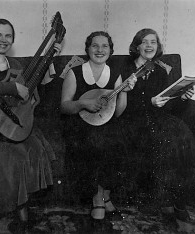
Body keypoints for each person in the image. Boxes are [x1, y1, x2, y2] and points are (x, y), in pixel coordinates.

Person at [0, 18, 61, 233]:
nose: (3, 40)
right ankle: (19, 210)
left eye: (8, 36)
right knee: (14, 156)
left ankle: (23, 205)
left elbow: (27, 95)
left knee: (35, 150)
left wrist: (31, 98)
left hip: (12, 123)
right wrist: (12, 87)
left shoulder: (16, 65)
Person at [119, 28, 195, 222]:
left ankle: (177, 199)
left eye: (153, 42)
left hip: (157, 118)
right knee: (164, 141)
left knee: (183, 138)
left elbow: (166, 103)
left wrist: (183, 97)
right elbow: (121, 105)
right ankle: (165, 200)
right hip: (133, 119)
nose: (149, 46)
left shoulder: (160, 71)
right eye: (144, 42)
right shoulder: (124, 68)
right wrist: (149, 103)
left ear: (157, 46)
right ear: (137, 46)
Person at [60, 31, 132, 220]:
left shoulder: (115, 75)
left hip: (105, 122)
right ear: (88, 49)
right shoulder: (74, 72)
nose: (100, 50)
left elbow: (117, 112)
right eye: (95, 45)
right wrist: (84, 103)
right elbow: (65, 106)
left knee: (119, 142)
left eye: (104, 46)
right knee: (93, 142)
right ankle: (97, 198)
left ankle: (105, 195)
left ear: (110, 50)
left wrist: (124, 92)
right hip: (79, 122)